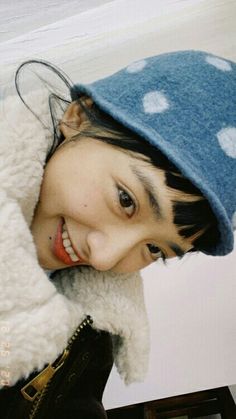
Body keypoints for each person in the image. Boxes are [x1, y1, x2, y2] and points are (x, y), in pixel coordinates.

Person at [0, 50, 235, 418]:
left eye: (155, 249)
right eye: (126, 199)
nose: (104, 258)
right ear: (78, 117)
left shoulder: (93, 324)